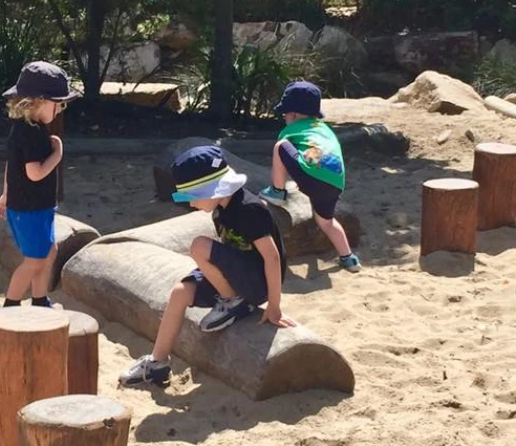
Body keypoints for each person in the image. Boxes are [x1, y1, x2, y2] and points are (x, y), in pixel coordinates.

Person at [119, 145, 294, 387]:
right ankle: (158, 363)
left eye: (191, 197)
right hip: (236, 275)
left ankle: (232, 301)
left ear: (212, 189)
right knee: (180, 292)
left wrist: (274, 305)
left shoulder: (249, 209)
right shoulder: (221, 210)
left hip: (257, 282)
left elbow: (272, 258)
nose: (190, 205)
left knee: (199, 246)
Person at [0, 61, 80, 308]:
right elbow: (34, 173)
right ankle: (11, 304)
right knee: (34, 260)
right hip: (29, 209)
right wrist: (57, 155)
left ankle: (40, 300)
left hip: (35, 206)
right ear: (39, 101)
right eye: (58, 103)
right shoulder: (30, 133)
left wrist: (5, 193)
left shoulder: (28, 128)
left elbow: (12, 165)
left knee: (48, 253)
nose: (61, 109)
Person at [257, 80, 361, 272]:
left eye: (285, 115)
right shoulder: (324, 130)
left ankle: (277, 192)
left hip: (311, 176)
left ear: (293, 114)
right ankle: (348, 258)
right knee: (326, 222)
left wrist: (296, 177)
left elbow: (285, 155)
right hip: (335, 182)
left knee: (280, 147)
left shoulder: (290, 130)